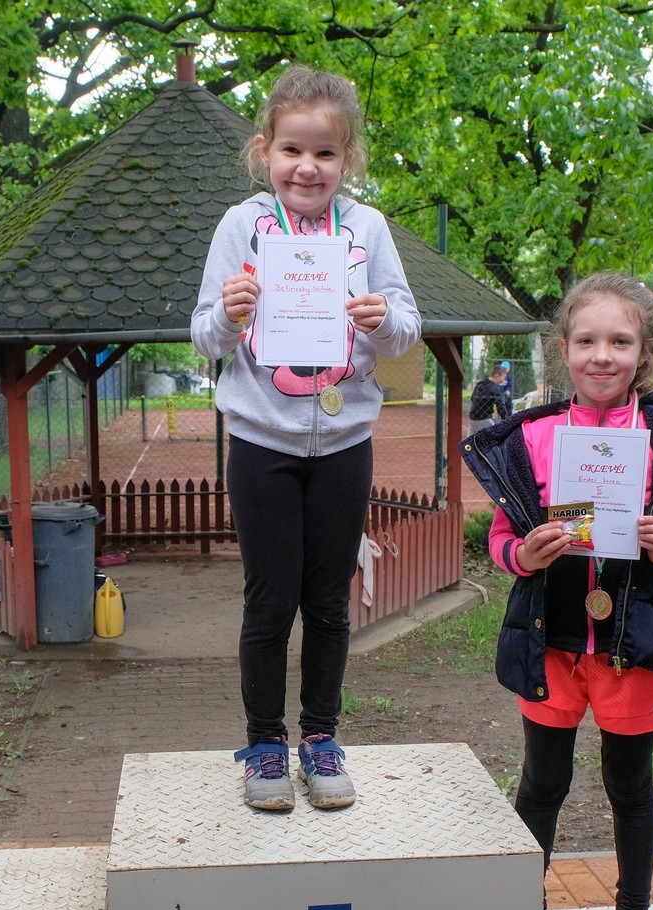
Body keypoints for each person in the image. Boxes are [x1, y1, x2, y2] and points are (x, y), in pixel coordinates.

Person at [460, 272, 653, 910]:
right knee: (542, 784)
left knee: (630, 788)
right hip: (552, 644)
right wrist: (523, 555)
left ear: (644, 353)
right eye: (586, 340)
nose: (602, 355)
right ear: (564, 349)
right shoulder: (533, 438)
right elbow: (503, 540)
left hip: (631, 650)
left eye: (620, 341)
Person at [191, 64, 421, 812]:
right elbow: (203, 338)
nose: (307, 167)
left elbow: (408, 329)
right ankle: (264, 745)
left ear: (347, 157)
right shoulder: (241, 226)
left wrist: (381, 319)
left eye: (325, 152)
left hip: (344, 443)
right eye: (292, 149)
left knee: (328, 603)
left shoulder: (367, 229)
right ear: (265, 150)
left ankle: (320, 739)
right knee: (269, 603)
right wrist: (229, 313)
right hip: (263, 444)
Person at [469, 363, 513, 433]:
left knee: (472, 437)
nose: (503, 381)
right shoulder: (494, 388)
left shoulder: (480, 384)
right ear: (497, 376)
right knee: (492, 436)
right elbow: (500, 406)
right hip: (484, 419)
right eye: (503, 378)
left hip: (472, 417)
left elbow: (472, 398)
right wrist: (506, 420)